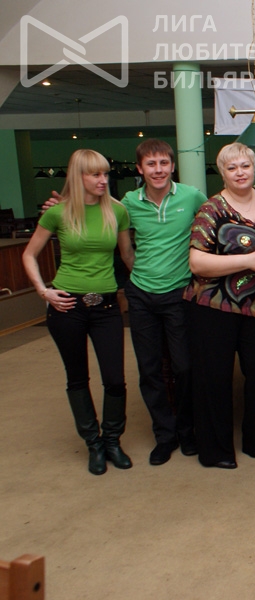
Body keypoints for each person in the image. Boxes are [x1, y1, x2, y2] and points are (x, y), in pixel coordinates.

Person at [42, 140, 207, 466]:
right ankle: (165, 435)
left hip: (179, 294)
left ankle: (187, 431)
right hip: (141, 296)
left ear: (173, 166)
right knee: (149, 370)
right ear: (140, 169)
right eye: (151, 164)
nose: (158, 170)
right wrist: (63, 205)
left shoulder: (192, 197)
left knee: (185, 367)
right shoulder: (128, 202)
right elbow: (100, 215)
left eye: (163, 163)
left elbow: (217, 217)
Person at [22, 149, 135, 475]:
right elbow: (29, 254)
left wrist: (150, 286)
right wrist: (43, 291)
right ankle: (93, 444)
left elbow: (127, 255)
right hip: (67, 305)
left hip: (106, 306)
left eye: (105, 174)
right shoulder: (57, 213)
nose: (103, 180)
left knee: (115, 379)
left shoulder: (117, 210)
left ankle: (112, 440)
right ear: (78, 176)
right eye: (95, 174)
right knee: (77, 377)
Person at [184, 142, 255, 469]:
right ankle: (215, 451)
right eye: (232, 168)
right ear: (222, 173)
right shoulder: (211, 209)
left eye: (245, 166)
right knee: (213, 378)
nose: (240, 172)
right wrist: (249, 261)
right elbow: (197, 263)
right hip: (213, 306)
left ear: (254, 168)